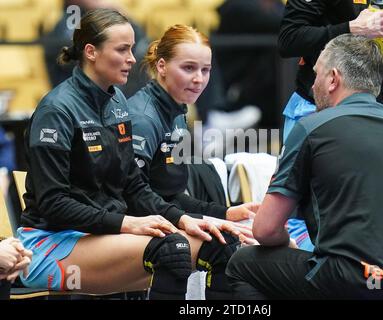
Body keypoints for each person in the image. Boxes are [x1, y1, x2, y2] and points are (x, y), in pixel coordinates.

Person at [18, 9, 241, 300]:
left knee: (218, 243)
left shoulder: (117, 102)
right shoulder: (56, 110)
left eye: (131, 49)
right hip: (51, 241)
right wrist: (126, 223)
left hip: (103, 235)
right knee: (172, 251)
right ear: (91, 52)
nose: (133, 59)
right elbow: (53, 203)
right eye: (122, 49)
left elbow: (134, 185)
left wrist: (183, 219)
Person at [226, 34, 383, 299]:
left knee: (242, 263)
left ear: (333, 78)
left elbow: (264, 229)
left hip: (359, 282)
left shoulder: (311, 127)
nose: (312, 86)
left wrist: (285, 243)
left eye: (316, 74)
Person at [278, 0, 383, 252]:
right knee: (301, 208)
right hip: (316, 107)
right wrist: (351, 28)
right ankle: (310, 272)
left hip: (371, 107)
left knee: (363, 202)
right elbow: (288, 39)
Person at [128, 25, 259, 224]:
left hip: (160, 219)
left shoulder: (177, 111)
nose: (199, 79)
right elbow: (134, 200)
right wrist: (187, 220)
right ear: (162, 66)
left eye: (205, 70)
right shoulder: (143, 120)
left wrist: (225, 213)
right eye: (188, 68)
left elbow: (171, 196)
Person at [42, 0, 149, 98]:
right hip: (81, 94)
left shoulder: (109, 15)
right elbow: (71, 55)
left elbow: (137, 38)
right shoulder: (70, 19)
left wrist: (119, 14)